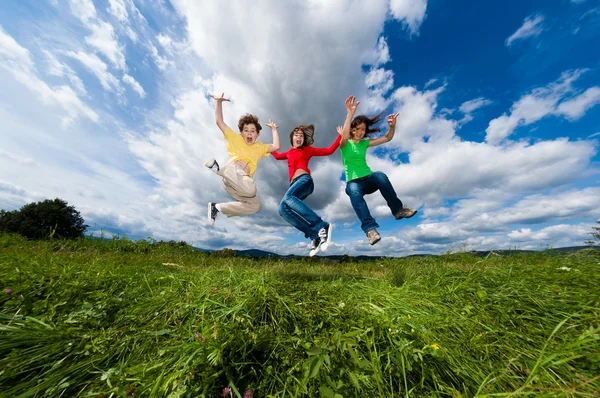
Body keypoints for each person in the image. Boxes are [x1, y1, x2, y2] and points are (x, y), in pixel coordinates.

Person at [339, 96, 417, 245]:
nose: (359, 132)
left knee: (380, 175)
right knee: (353, 191)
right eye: (356, 129)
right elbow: (344, 136)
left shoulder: (364, 143)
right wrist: (349, 113)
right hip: (354, 182)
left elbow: (387, 138)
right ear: (351, 130)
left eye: (362, 129)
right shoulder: (345, 144)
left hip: (368, 179)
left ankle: (398, 210)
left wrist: (392, 126)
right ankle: (370, 230)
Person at [271, 117, 343, 256]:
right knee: (282, 209)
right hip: (295, 185)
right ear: (291, 138)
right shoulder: (288, 153)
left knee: (288, 197)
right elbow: (275, 153)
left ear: (304, 140)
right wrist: (272, 135)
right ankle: (314, 235)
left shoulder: (307, 150)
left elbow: (328, 151)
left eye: (301, 136)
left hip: (305, 180)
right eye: (296, 135)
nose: (299, 137)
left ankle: (322, 226)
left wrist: (340, 136)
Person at [205, 93, 280, 225]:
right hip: (233, 173)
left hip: (240, 185)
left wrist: (274, 129)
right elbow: (219, 122)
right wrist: (218, 102)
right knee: (251, 189)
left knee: (255, 206)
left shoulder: (260, 147)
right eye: (246, 130)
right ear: (241, 132)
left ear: (257, 134)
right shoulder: (236, 139)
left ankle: (217, 208)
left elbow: (276, 146)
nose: (249, 133)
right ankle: (219, 169)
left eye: (252, 130)